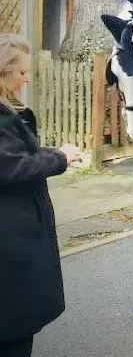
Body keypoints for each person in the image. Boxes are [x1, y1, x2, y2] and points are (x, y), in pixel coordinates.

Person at [0, 34, 81, 357]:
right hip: (10, 239)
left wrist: (51, 153)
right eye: (21, 72)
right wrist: (59, 158)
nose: (27, 78)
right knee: (14, 328)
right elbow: (11, 167)